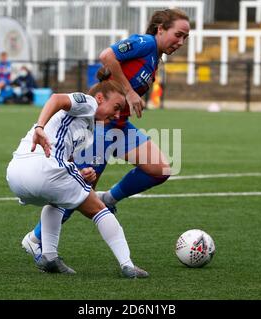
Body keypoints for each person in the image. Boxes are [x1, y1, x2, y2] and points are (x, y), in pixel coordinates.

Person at [22, 8, 190, 258]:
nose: (181, 42)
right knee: (78, 189)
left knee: (160, 168)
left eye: (185, 37)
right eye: (178, 35)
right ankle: (35, 239)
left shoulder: (154, 56)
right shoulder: (144, 43)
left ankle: (109, 199)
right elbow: (107, 55)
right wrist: (129, 92)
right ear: (160, 29)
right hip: (100, 125)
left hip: (120, 126)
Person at [6, 80, 148, 278]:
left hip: (16, 174)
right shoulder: (89, 103)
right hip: (43, 169)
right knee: (99, 208)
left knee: (57, 200)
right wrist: (40, 126)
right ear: (100, 98)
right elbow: (57, 98)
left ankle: (49, 256)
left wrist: (80, 174)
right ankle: (128, 265)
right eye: (116, 107)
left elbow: (66, 158)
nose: (117, 115)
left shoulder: (87, 128)